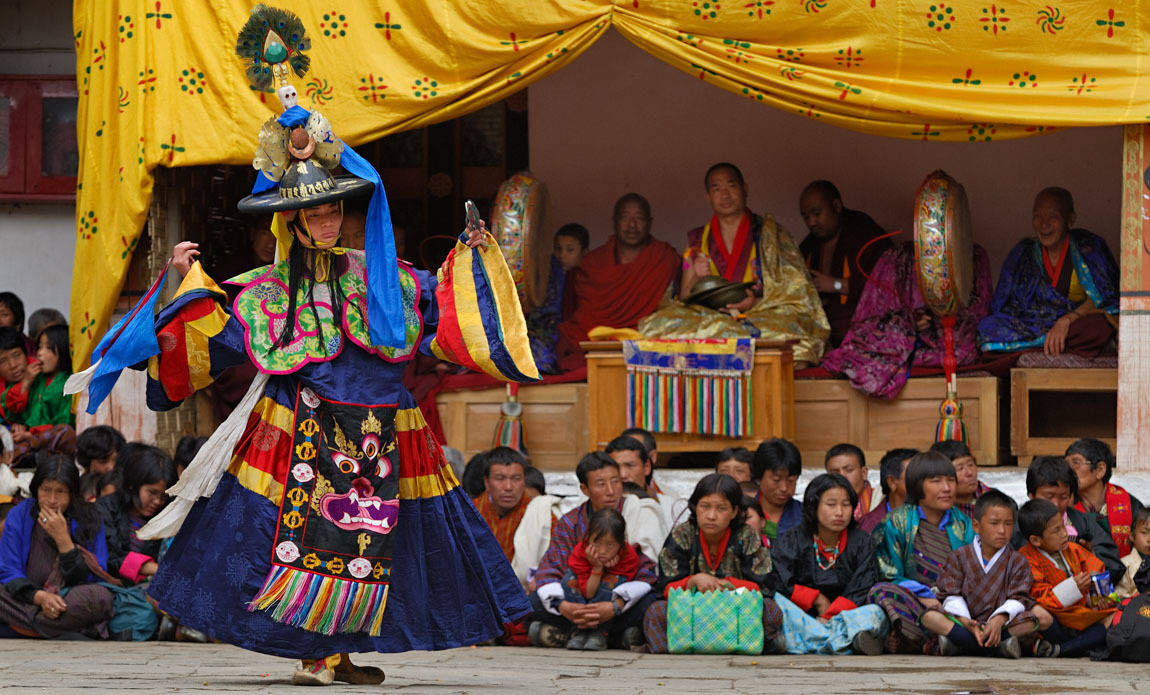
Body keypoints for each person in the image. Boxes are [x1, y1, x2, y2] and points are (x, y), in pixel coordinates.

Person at [93, 46, 539, 683]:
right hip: (304, 427)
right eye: (314, 214)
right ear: (292, 223)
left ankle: (344, 651)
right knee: (292, 540)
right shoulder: (267, 291)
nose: (327, 221)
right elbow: (212, 344)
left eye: (333, 210)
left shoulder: (385, 281)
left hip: (384, 429)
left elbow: (447, 321)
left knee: (380, 542)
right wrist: (174, 287)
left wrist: (472, 257)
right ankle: (314, 652)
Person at [639, 163, 829, 366]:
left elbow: (796, 291)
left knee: (790, 328)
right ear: (708, 197)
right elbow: (684, 296)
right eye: (716, 189)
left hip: (760, 313)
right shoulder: (696, 240)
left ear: (744, 189)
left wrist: (754, 303)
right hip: (708, 315)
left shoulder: (770, 234)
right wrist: (694, 273)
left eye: (731, 185)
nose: (725, 195)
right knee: (654, 325)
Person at [821, 239, 993, 399]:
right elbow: (873, 318)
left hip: (950, 342)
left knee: (964, 349)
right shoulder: (899, 257)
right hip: (910, 341)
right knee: (862, 352)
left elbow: (975, 316)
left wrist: (938, 324)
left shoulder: (972, 256)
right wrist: (910, 324)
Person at [641, 474, 784, 654]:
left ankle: (765, 643)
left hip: (736, 612)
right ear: (695, 507)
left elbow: (765, 587)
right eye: (705, 506)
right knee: (656, 611)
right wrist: (692, 581)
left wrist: (729, 584)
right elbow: (664, 589)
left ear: (734, 511)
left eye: (721, 508)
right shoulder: (682, 534)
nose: (711, 516)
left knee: (771, 609)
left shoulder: (747, 535)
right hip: (692, 612)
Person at [530, 453, 659, 650]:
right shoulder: (570, 523)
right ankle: (616, 638)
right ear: (585, 489)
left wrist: (615, 605)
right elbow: (549, 571)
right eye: (600, 484)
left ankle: (571, 635)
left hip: (618, 602)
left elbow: (649, 573)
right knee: (531, 602)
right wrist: (566, 608)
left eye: (616, 482)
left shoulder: (638, 513)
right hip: (577, 601)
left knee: (651, 603)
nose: (611, 491)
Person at [980, 187, 1119, 355]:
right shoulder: (1023, 253)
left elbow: (1104, 297)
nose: (1044, 224)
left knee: (1098, 328)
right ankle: (1050, 343)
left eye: (1053, 217)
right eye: (1038, 216)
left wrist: (1067, 320)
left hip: (1074, 322)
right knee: (987, 326)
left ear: (1070, 219)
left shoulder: (1089, 247)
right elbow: (1002, 305)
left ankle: (1036, 346)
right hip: (1032, 324)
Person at [555, 194, 681, 369]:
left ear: (650, 222)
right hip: (594, 339)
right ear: (614, 221)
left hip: (646, 338)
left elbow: (679, 305)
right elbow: (583, 316)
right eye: (625, 217)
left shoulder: (664, 258)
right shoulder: (593, 264)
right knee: (565, 347)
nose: (632, 225)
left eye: (639, 217)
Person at [922, 491, 1051, 658]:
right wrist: (965, 621)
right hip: (965, 622)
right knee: (929, 617)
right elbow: (950, 594)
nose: (1002, 530)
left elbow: (1019, 597)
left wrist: (999, 619)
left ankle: (963, 644)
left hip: (1002, 625)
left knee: (1041, 618)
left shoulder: (1017, 560)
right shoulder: (959, 556)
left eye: (1008, 524)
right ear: (976, 526)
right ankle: (996, 646)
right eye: (994, 523)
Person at [869, 451, 975, 654]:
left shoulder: (964, 525)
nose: (946, 488)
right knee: (881, 592)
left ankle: (945, 641)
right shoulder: (896, 522)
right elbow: (889, 574)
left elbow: (976, 572)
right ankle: (959, 640)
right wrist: (927, 596)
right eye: (936, 481)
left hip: (959, 604)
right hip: (919, 603)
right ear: (917, 485)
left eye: (951, 481)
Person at [771, 474, 888, 655]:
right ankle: (843, 642)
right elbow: (780, 581)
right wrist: (816, 599)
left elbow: (863, 585)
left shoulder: (862, 541)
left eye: (846, 504)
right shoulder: (792, 540)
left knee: (876, 613)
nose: (840, 512)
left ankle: (811, 641)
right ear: (813, 506)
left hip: (846, 617)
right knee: (777, 605)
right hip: (805, 616)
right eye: (831, 504)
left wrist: (831, 615)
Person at [0, 454, 114, 638]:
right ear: (37, 489)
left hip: (66, 601)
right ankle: (60, 631)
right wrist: (40, 597)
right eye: (46, 490)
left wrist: (64, 541)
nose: (52, 500)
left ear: (72, 493)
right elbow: (8, 571)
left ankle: (23, 629)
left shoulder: (90, 518)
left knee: (100, 597)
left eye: (60, 492)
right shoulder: (19, 515)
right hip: (26, 597)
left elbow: (95, 575)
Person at [1018, 498, 1118, 658]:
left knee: (1115, 618)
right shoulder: (1026, 559)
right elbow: (1038, 596)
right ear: (1036, 540)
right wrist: (1073, 588)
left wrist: (1099, 598)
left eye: (1063, 526)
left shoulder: (1073, 549)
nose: (1064, 533)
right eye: (1056, 530)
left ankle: (1062, 650)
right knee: (1038, 615)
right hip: (1056, 622)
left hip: (1082, 615)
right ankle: (1078, 647)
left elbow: (1096, 570)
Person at [797, 181, 893, 346]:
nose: (811, 222)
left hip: (862, 332)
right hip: (821, 334)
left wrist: (836, 284)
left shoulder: (865, 234)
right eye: (806, 217)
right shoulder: (809, 246)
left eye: (816, 213)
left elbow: (886, 286)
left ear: (836, 206)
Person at [1011, 456, 1125, 582]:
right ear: (1031, 495)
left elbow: (1114, 566)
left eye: (1063, 497)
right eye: (1049, 496)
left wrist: (1090, 557)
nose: (1056, 504)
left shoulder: (1083, 522)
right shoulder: (1014, 527)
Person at [561, 508, 645, 651]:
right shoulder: (581, 551)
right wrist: (597, 568)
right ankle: (580, 630)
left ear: (621, 543)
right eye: (597, 543)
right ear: (588, 538)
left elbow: (624, 589)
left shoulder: (627, 555)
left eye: (610, 545)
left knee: (614, 581)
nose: (603, 551)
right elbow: (588, 593)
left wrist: (609, 571)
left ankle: (600, 632)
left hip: (608, 612)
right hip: (582, 600)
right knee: (569, 581)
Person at [96, 444, 178, 585]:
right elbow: (111, 557)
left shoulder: (166, 516)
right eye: (152, 492)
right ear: (133, 484)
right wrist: (157, 569)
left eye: (163, 496)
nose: (157, 501)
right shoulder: (105, 508)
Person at [0, 326, 76, 465]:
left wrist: (30, 434)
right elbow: (13, 411)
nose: (39, 353)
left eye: (47, 348)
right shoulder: (36, 378)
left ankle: (21, 457)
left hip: (50, 442)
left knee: (65, 432)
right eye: (39, 347)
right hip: (30, 443)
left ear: (62, 350)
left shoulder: (69, 382)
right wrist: (25, 384)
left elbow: (64, 422)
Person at [1066, 437, 1144, 557]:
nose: (1069, 470)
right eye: (1066, 465)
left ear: (1100, 470)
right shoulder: (1065, 505)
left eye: (1076, 463)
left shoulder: (1131, 505)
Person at [527, 224, 587, 374]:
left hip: (571, 333)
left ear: (584, 253)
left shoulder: (587, 276)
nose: (562, 255)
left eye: (570, 250)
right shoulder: (548, 273)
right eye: (558, 249)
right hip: (545, 329)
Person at [607, 435, 686, 530]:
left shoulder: (672, 507)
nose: (623, 474)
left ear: (647, 466)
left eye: (630, 465)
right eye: (616, 467)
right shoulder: (594, 505)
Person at [472, 447, 531, 563]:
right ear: (487, 482)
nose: (508, 487)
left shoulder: (540, 514)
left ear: (524, 481)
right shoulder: (469, 513)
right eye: (500, 478)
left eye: (516, 478)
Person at [753, 438, 803, 541]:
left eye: (791, 480)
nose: (784, 488)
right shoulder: (745, 514)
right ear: (759, 477)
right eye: (776, 479)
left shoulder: (805, 515)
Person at [860, 448, 918, 535]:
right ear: (892, 482)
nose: (923, 481)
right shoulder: (869, 527)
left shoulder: (931, 516)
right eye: (915, 474)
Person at [929, 440, 992, 519]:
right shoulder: (935, 509)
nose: (969, 473)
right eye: (960, 468)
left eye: (970, 464)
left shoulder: (996, 500)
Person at [824, 443, 874, 521]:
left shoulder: (882, 500)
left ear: (864, 472)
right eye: (835, 473)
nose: (842, 477)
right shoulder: (822, 505)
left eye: (849, 470)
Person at [76, 425, 125, 502]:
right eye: (103, 462)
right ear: (88, 462)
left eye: (116, 460)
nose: (111, 467)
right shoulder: (75, 491)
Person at [1116, 508, 1150, 600]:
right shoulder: (1124, 565)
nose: (1149, 539)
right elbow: (1120, 598)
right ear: (1131, 536)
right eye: (1144, 532)